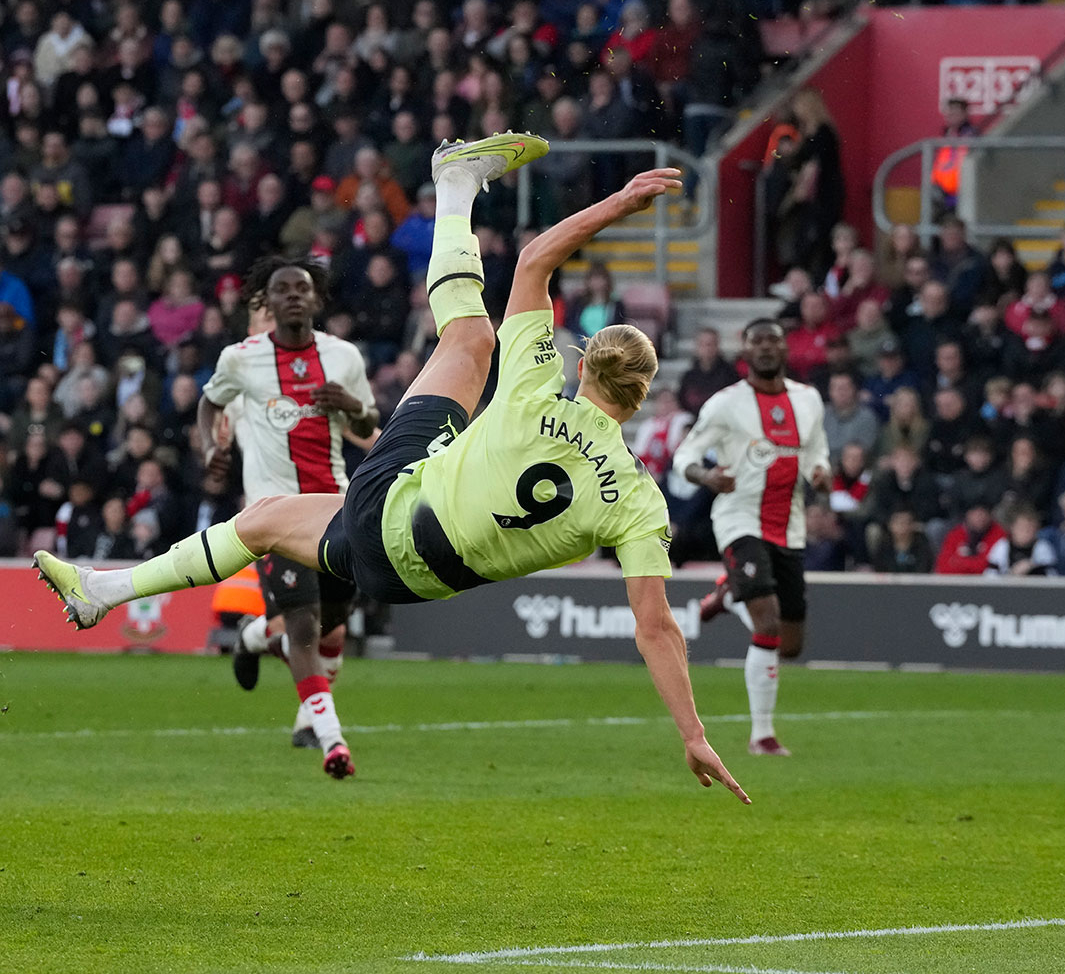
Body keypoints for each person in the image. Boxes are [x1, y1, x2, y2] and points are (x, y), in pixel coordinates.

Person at [36, 134, 749, 805]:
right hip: (408, 582)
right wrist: (694, 733)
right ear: (643, 394)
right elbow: (656, 628)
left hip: (391, 506)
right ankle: (103, 590)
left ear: (584, 359)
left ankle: (455, 184)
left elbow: (534, 260)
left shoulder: (536, 384)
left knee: (470, 336)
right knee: (259, 524)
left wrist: (621, 202)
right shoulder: (637, 500)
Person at [201, 255, 377, 750]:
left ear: (317, 298)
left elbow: (366, 425)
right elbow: (211, 401)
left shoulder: (344, 357)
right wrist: (212, 446)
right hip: (274, 513)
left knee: (334, 619)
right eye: (282, 290)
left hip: (333, 508)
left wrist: (354, 408)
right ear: (267, 303)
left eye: (302, 288)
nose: (294, 296)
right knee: (303, 626)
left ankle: (256, 638)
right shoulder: (242, 360)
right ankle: (329, 737)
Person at [672, 318, 830, 757]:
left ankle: (729, 593)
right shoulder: (726, 404)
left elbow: (817, 449)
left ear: (784, 350)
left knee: (791, 646)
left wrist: (822, 471)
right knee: (767, 624)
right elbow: (684, 453)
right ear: (744, 350)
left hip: (790, 525)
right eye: (756, 341)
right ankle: (762, 735)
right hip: (739, 517)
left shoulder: (809, 400)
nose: (765, 348)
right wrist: (705, 475)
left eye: (773, 341)